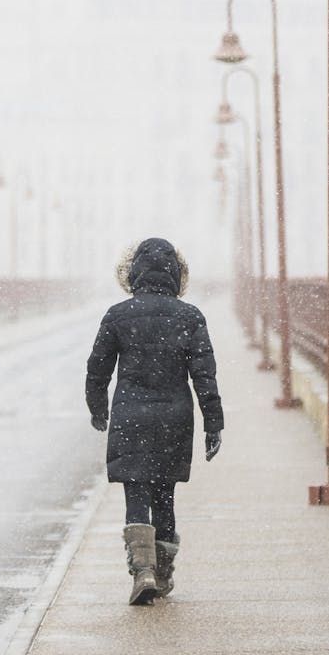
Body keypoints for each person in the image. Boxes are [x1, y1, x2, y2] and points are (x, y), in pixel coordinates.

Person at [85, 237, 224, 605]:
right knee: (165, 495)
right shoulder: (190, 316)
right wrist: (214, 423)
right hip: (174, 418)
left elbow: (97, 371)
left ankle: (141, 570)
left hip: (131, 415)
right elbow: (205, 376)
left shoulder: (118, 315)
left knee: (136, 493)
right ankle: (162, 575)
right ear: (177, 276)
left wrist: (98, 408)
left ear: (133, 273)